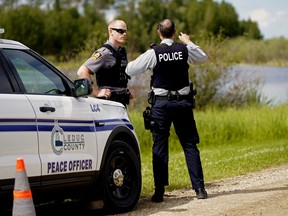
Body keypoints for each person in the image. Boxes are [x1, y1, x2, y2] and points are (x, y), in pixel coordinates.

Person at [126, 18, 209, 202]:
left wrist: (147, 61)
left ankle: (159, 192)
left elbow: (130, 69)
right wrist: (188, 42)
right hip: (182, 104)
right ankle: (200, 189)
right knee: (189, 145)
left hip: (161, 105)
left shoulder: (154, 52)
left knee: (160, 146)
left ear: (158, 33)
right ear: (175, 32)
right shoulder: (184, 49)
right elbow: (203, 57)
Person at [77, 19, 132, 106]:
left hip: (120, 102)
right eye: (120, 31)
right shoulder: (104, 53)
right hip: (108, 103)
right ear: (111, 31)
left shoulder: (121, 52)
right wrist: (96, 92)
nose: (124, 34)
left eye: (125, 31)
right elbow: (82, 71)